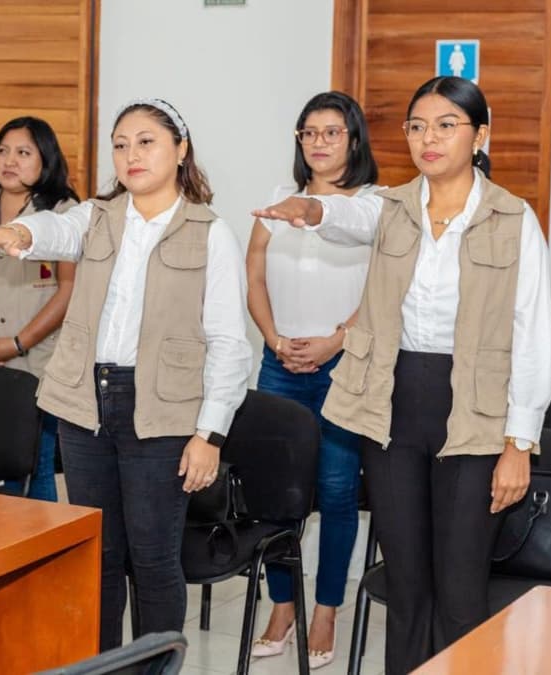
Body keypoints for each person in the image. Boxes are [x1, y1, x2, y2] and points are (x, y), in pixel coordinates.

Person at [253, 76, 551, 674]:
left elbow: (534, 339)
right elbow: (341, 215)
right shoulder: (389, 208)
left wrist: (519, 443)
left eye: (447, 125)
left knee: (461, 586)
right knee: (408, 583)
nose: (428, 138)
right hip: (393, 403)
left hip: (475, 411)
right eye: (417, 126)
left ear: (479, 136)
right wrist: (310, 208)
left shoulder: (512, 218)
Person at [0, 98, 252, 649]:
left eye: (146, 141)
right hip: (86, 403)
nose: (131, 155)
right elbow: (56, 230)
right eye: (120, 145)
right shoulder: (96, 216)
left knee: (152, 558)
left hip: (163, 411)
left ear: (181, 149)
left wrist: (209, 434)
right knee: (96, 554)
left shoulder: (209, 232)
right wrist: (24, 235)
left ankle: (154, 665)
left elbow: (229, 345)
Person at [247, 92, 378, 669]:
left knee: (337, 490)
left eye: (331, 132)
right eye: (308, 133)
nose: (318, 143)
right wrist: (275, 338)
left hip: (343, 364)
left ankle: (326, 606)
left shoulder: (375, 205)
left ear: (354, 139)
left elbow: (383, 294)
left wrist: (335, 340)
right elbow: (253, 274)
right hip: (279, 361)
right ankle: (283, 601)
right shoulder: (279, 197)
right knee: (274, 492)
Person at [0, 116, 79, 501]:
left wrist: (18, 343)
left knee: (32, 466)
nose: (10, 160)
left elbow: (69, 290)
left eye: (24, 152)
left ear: (46, 160)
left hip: (33, 360)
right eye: (4, 151)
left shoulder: (62, 214)